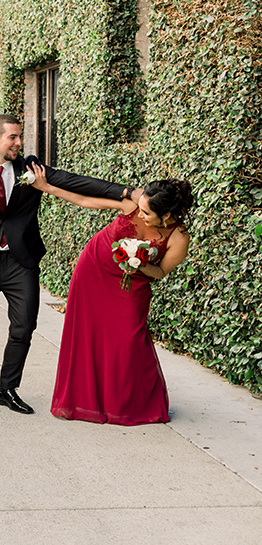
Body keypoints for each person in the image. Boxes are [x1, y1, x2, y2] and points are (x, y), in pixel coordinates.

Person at [0, 114, 137, 414]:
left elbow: (74, 181)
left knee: (24, 326)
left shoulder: (31, 169)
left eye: (20, 137)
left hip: (22, 263)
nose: (18, 143)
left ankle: (7, 389)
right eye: (12, 138)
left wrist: (126, 192)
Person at [27, 165, 193, 425]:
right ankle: (86, 400)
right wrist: (47, 187)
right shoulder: (135, 203)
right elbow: (86, 200)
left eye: (148, 213)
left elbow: (159, 272)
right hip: (93, 269)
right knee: (89, 335)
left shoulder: (179, 238)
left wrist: (139, 263)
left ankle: (128, 404)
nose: (142, 213)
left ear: (167, 215)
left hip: (132, 284)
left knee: (130, 339)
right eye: (142, 208)